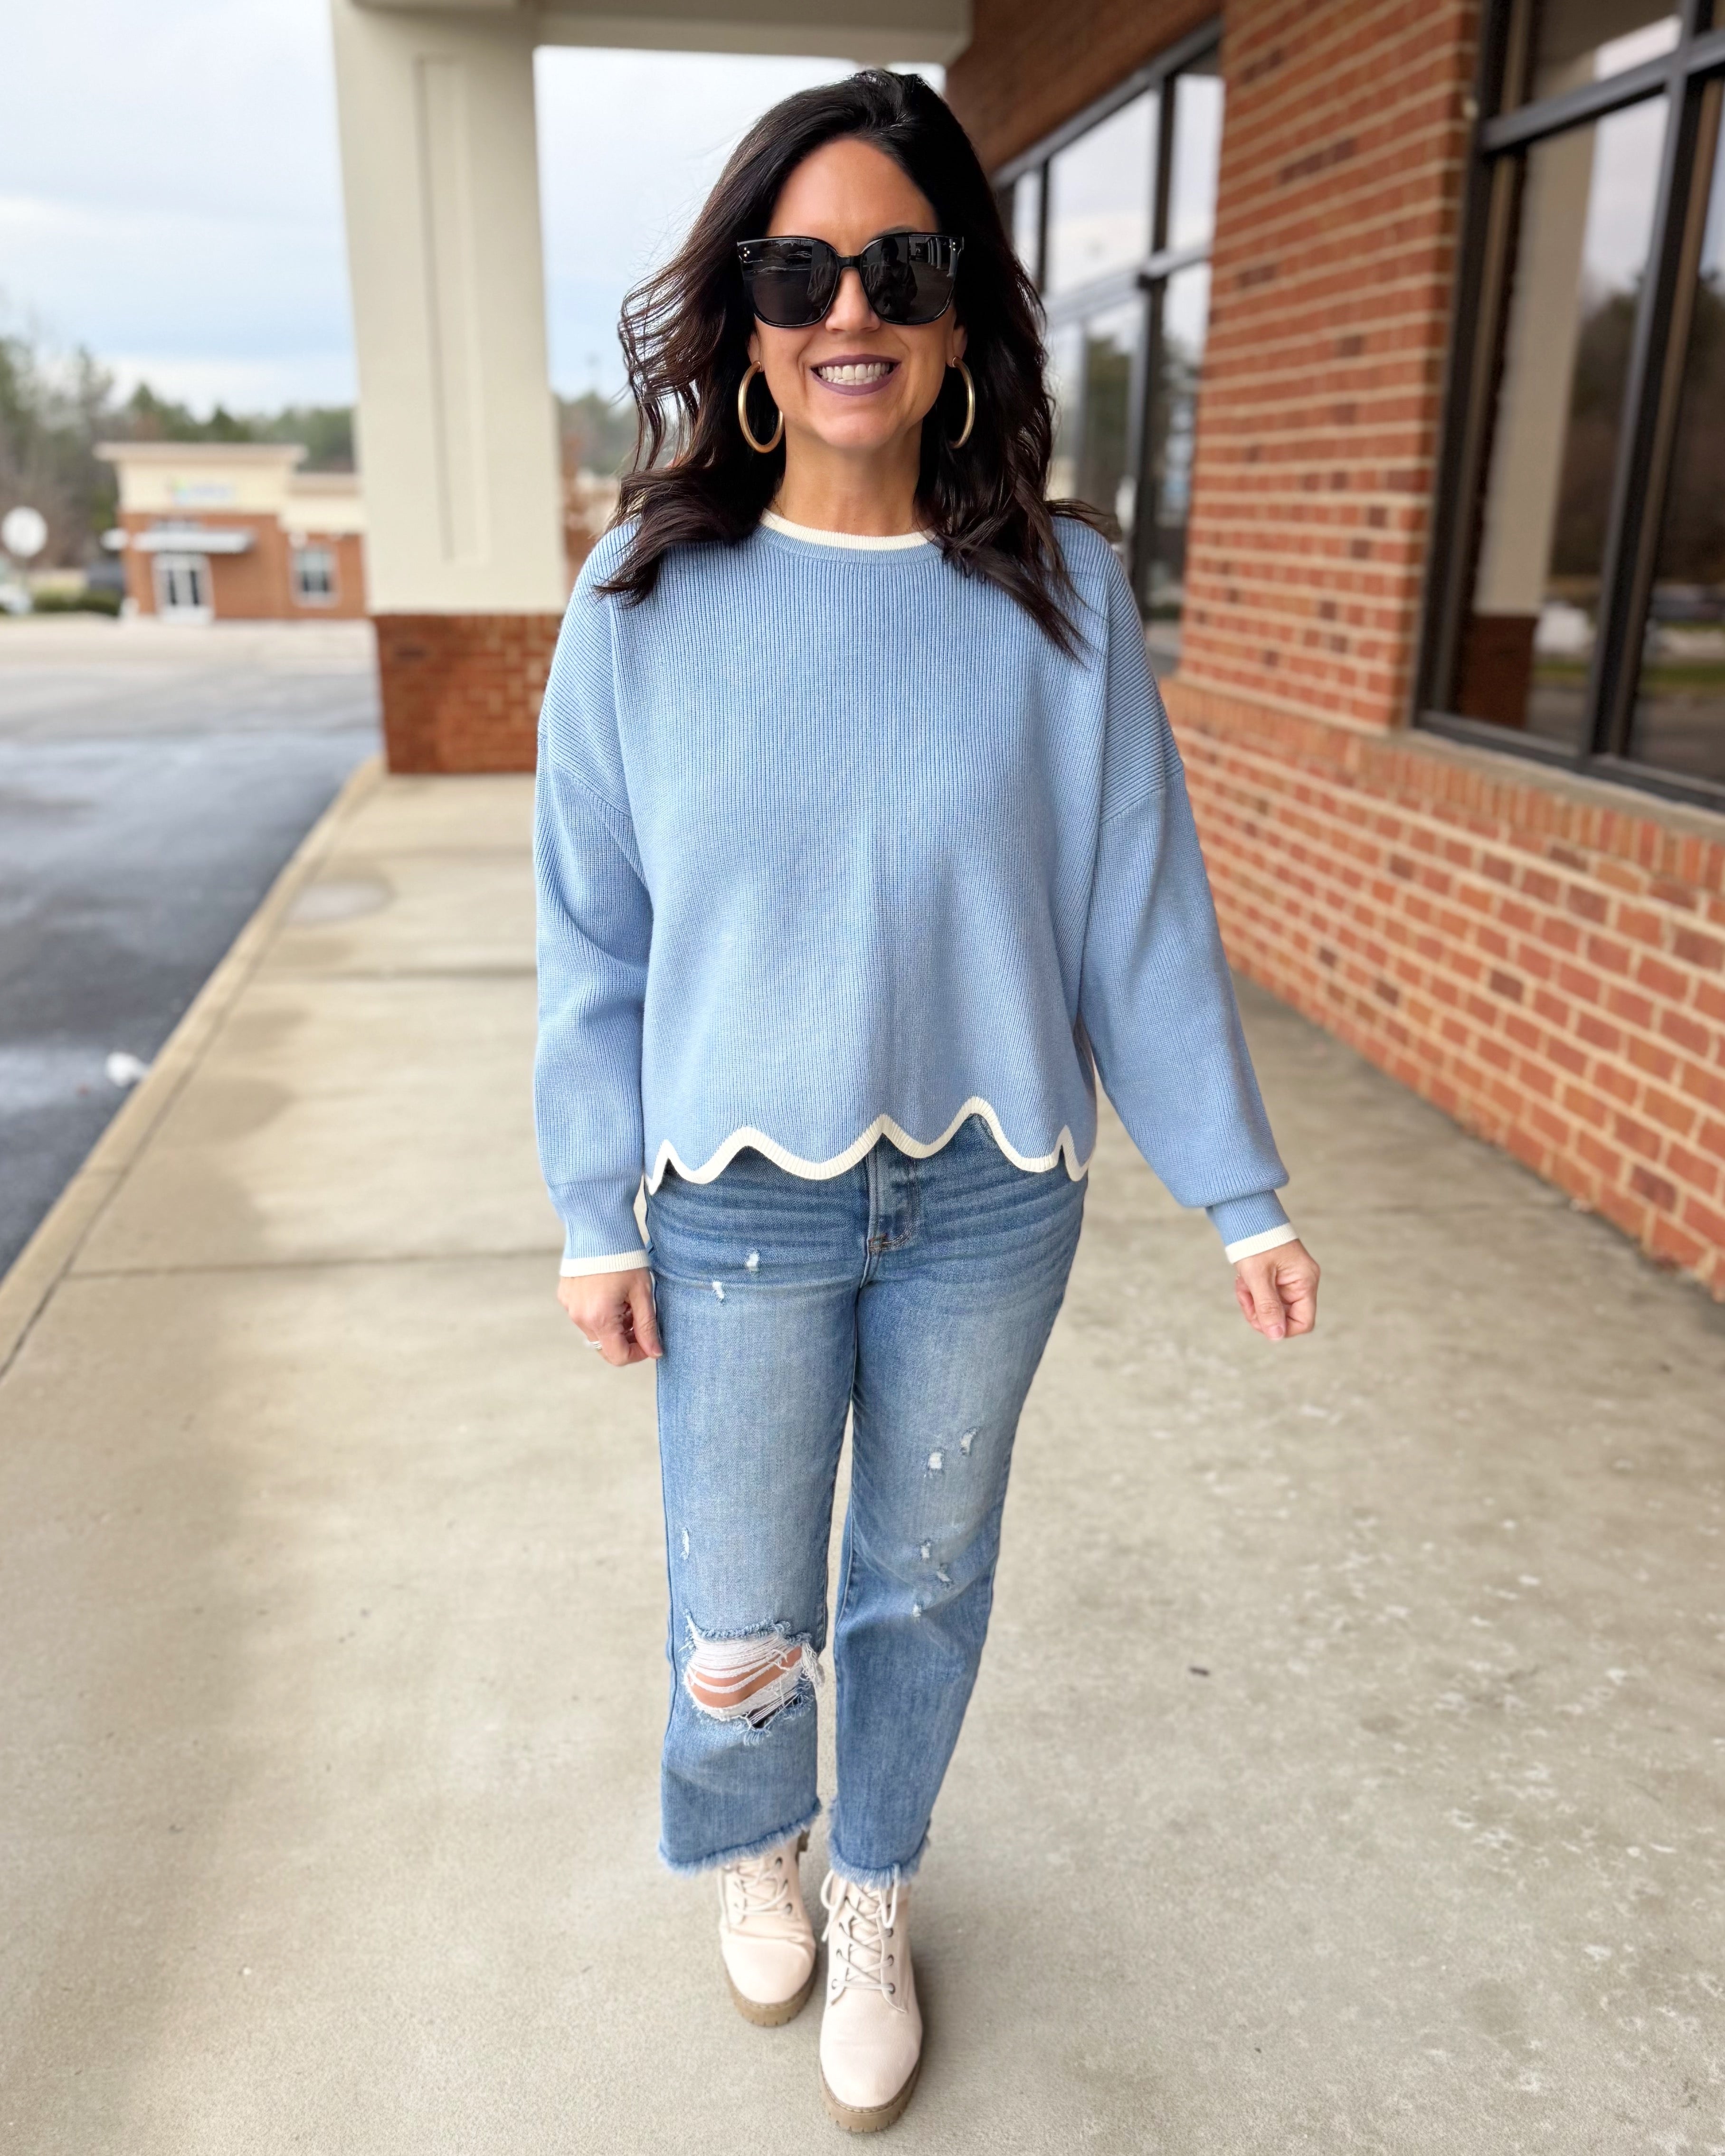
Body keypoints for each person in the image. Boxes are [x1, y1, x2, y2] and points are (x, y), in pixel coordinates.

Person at [533, 67, 1319, 2135]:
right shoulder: (637, 606)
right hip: (733, 1204)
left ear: (960, 308)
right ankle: (754, 1841)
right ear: (744, 319)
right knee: (740, 1611)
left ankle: (870, 1881)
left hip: (989, 1198)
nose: (848, 304)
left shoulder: (1056, 597)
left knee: (920, 1580)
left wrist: (1233, 1189)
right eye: (799, 268)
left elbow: (1134, 915)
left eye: (898, 262)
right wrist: (589, 1204)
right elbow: (589, 938)